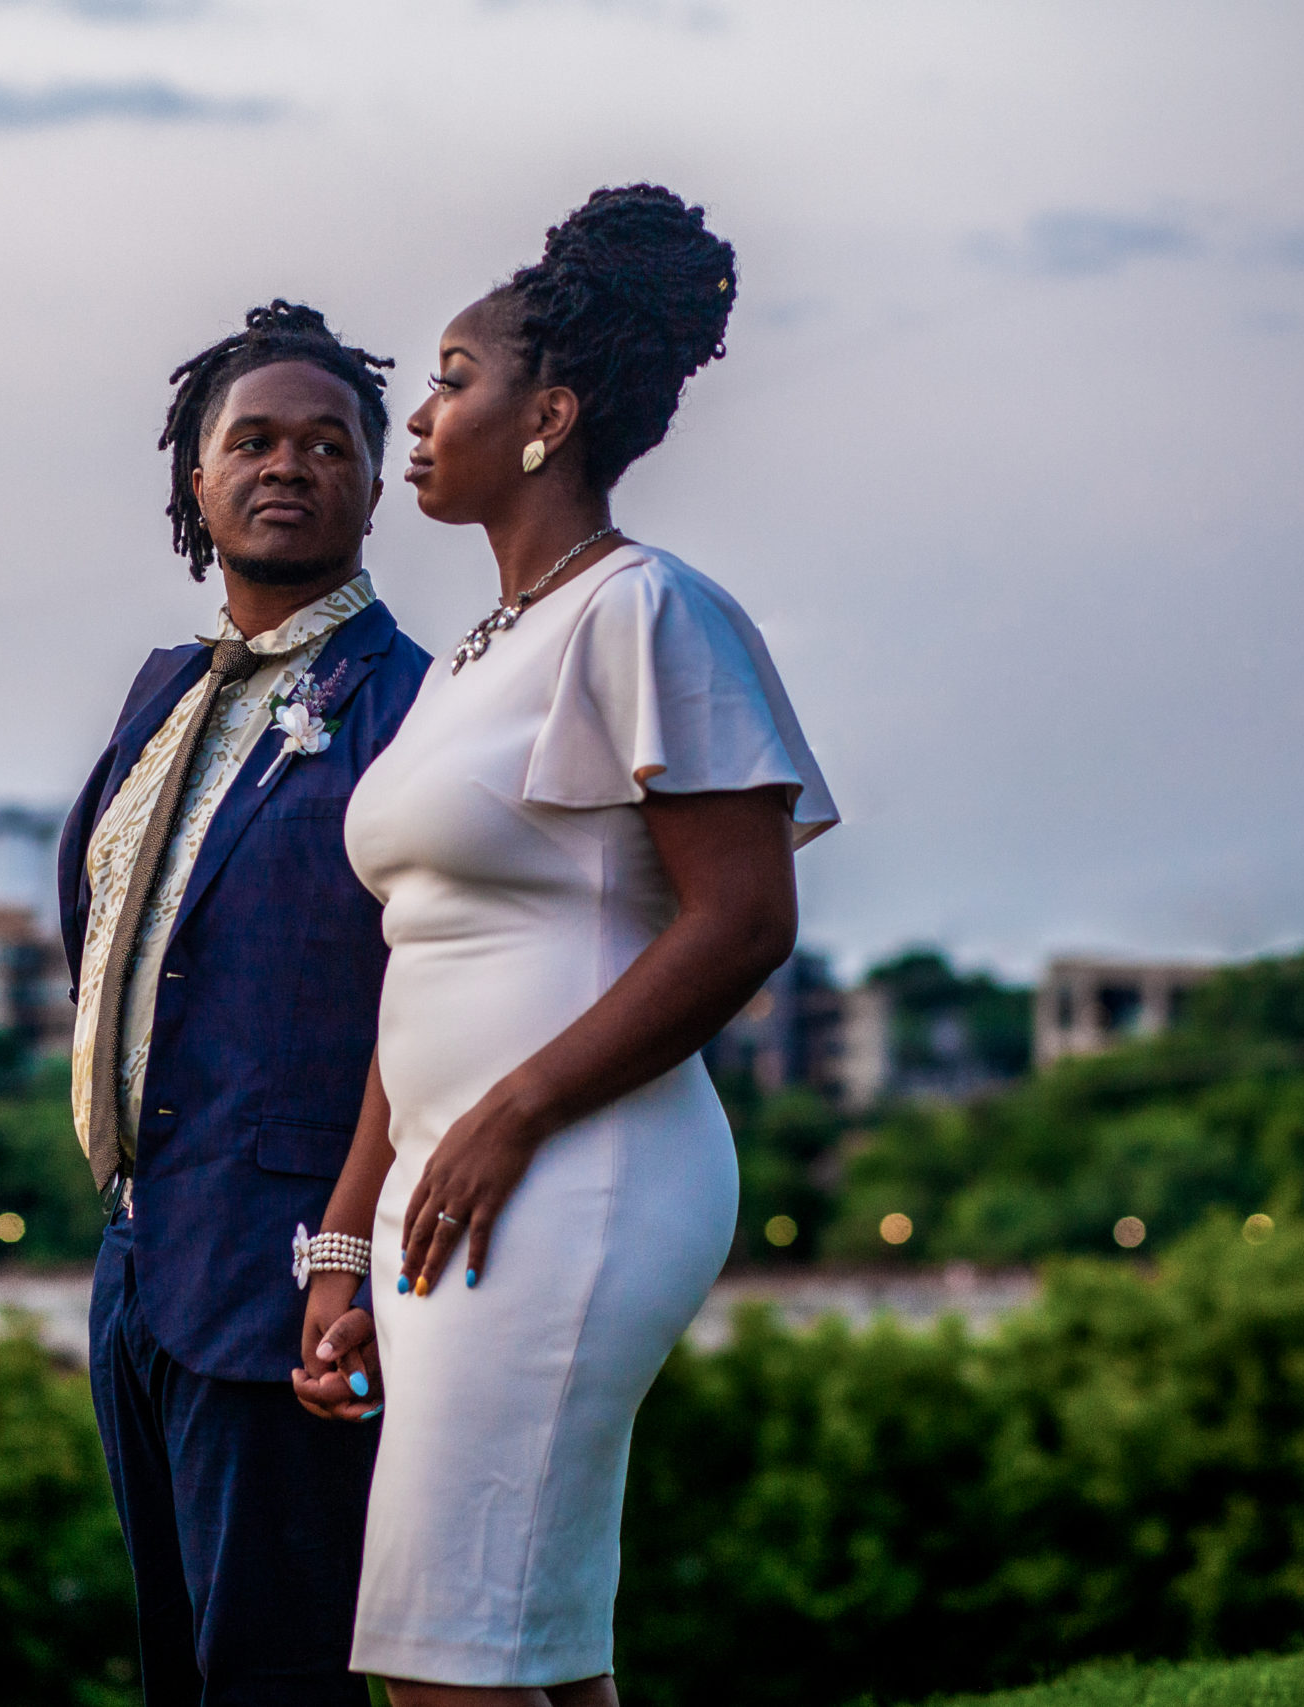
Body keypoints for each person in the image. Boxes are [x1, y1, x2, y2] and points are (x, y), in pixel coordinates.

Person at [299, 186, 841, 1705]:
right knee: (529, 1652)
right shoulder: (477, 654)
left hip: (574, 1175)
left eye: (453, 379)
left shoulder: (645, 611)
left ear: (550, 414)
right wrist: (346, 1239)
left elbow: (746, 921)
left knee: (444, 1657)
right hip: (450, 1185)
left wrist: (513, 1116)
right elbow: (423, 963)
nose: (419, 414)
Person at [60, 300, 432, 1706]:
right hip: (141, 1263)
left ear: (373, 485)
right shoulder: (160, 694)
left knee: (277, 1677)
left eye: (328, 443)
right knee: (178, 1667)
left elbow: (429, 991)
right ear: (196, 480)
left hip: (292, 1272)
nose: (290, 465)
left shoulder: (411, 705)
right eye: (254, 441)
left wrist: (348, 1243)